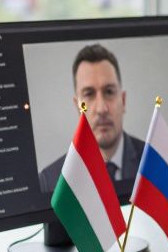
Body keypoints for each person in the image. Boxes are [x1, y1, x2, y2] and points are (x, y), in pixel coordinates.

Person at [39, 43, 145, 193]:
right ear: (77, 107)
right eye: (89, 94)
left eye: (109, 91)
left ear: (123, 101)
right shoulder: (51, 182)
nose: (101, 109)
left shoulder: (155, 164)